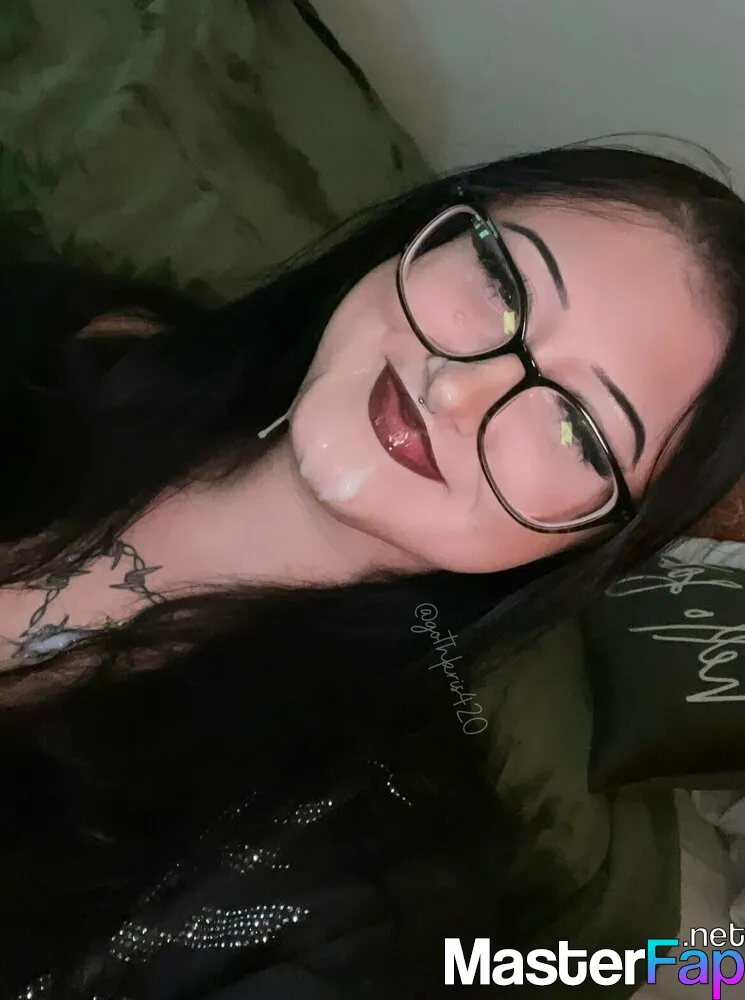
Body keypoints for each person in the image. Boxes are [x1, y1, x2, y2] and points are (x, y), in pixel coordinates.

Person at [3, 144, 745, 999]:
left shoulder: (362, 890)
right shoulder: (81, 340)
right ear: (424, 235)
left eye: (576, 428)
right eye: (501, 283)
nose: (458, 390)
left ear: (595, 542)